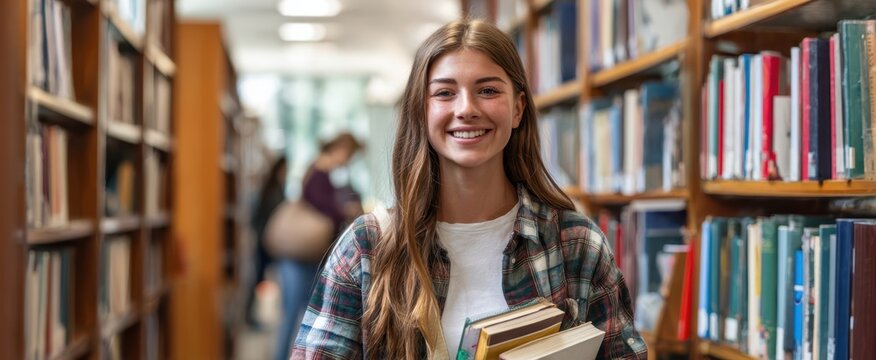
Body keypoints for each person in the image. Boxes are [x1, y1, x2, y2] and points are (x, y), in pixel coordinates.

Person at [291, 19, 647, 359]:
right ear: (421, 110)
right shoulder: (367, 248)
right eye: (445, 93)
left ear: (518, 108)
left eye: (488, 90)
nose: (466, 109)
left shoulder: (576, 244)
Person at [274, 133, 363, 360]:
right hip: (299, 256)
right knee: (294, 313)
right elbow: (325, 209)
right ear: (340, 149)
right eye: (349, 155)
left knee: (301, 313)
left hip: (306, 256)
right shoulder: (320, 174)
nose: (348, 161)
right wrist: (345, 211)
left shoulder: (320, 172)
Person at [246, 155, 287, 329]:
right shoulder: (275, 191)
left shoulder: (269, 188)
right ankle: (257, 316)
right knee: (263, 279)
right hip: (268, 242)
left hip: (263, 240)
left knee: (260, 278)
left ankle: (256, 315)